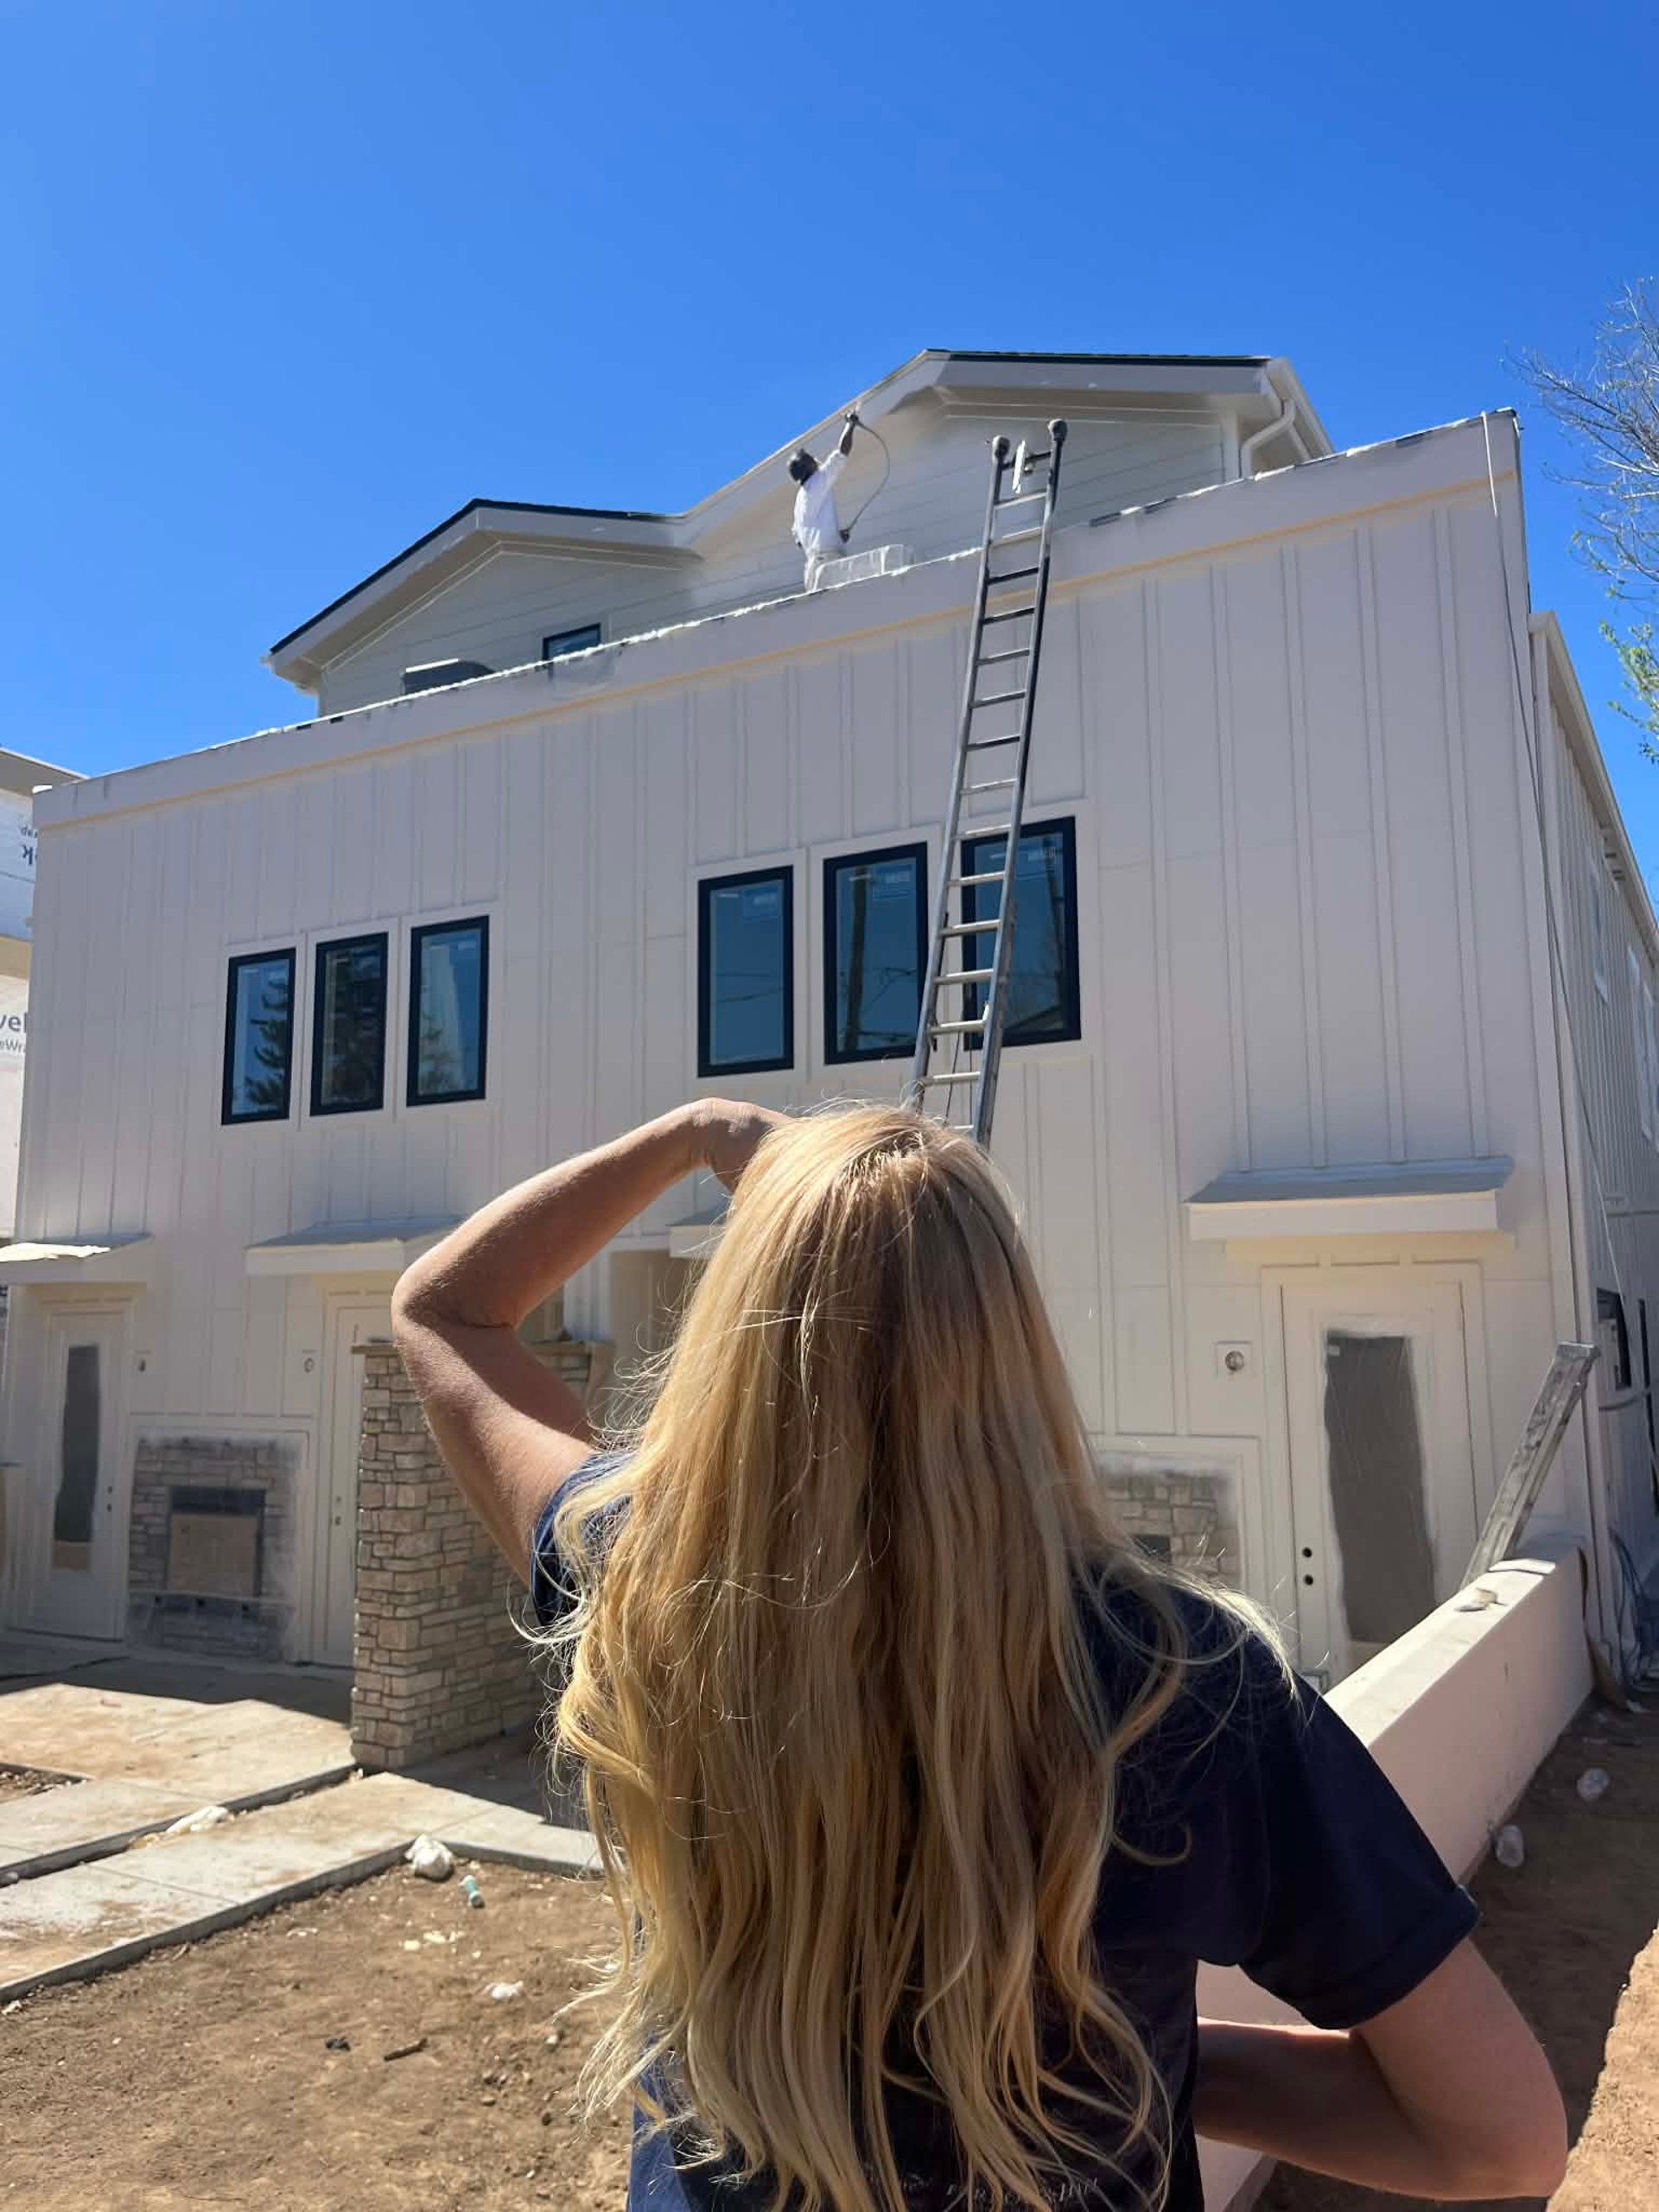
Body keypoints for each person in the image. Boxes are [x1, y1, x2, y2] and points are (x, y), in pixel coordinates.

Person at [392, 1101, 1567, 2212]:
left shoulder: (642, 1587)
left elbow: (443, 1312)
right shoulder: (1181, 1687)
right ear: (1013, 1345)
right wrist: (1125, 2069)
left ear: (731, 1339)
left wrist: (694, 1137)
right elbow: (1497, 2136)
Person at [790, 411, 859, 591]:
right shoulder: (817, 482)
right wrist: (850, 425)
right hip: (829, 564)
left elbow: (799, 539)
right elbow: (841, 454)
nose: (815, 459)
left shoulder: (800, 499)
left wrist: (834, 536)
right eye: (811, 459)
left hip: (814, 570)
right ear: (808, 467)